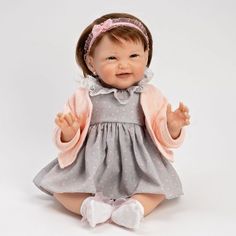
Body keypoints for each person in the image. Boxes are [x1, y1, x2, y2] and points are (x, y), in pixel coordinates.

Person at [33, 12, 190, 230]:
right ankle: (89, 206)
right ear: (92, 63)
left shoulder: (150, 94)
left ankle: (135, 207)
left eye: (134, 56)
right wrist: (68, 132)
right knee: (59, 189)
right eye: (112, 58)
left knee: (158, 189)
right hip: (92, 162)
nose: (124, 65)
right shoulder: (85, 95)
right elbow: (67, 140)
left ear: (146, 56)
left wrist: (172, 126)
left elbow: (162, 135)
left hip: (138, 164)